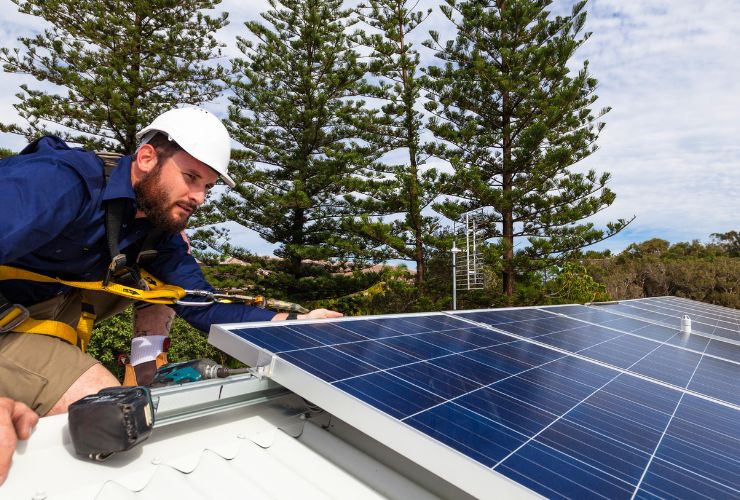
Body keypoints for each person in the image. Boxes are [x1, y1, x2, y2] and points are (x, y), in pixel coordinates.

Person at [0, 107, 341, 481]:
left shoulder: (156, 231)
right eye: (191, 177)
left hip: (48, 300)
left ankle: (146, 373)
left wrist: (291, 323)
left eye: (207, 187)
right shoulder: (59, 182)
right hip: (8, 321)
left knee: (160, 283)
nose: (199, 197)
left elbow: (198, 302)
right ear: (146, 158)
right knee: (109, 410)